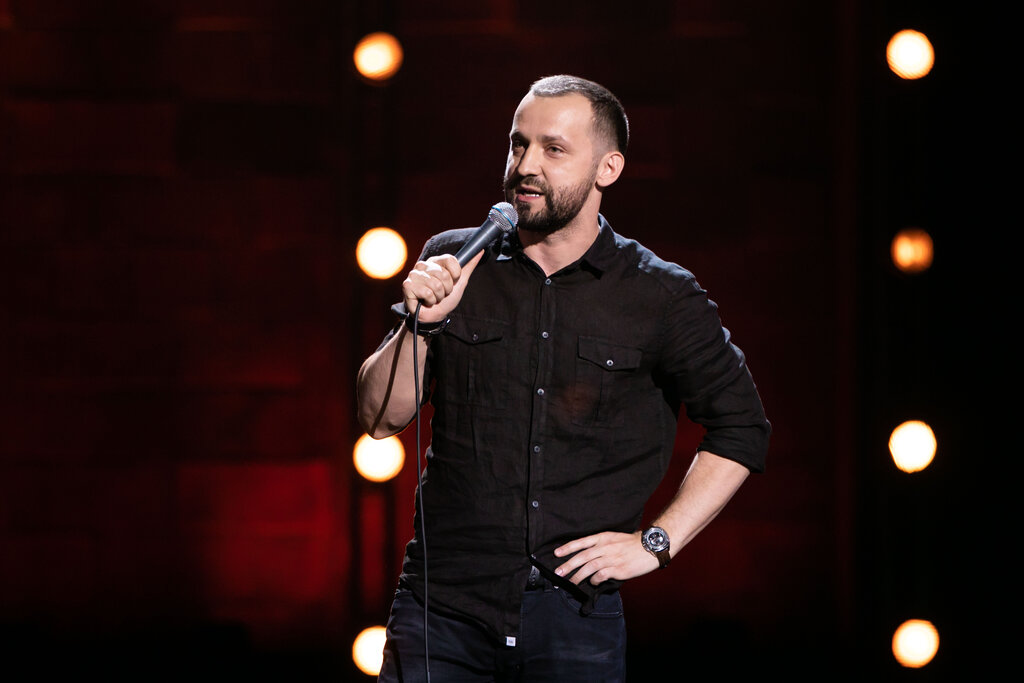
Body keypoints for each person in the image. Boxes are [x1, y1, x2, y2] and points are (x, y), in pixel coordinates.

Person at [357, 74, 770, 682]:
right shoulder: (456, 259)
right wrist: (421, 326)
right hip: (440, 610)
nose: (525, 166)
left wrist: (656, 543)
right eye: (517, 144)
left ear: (608, 168)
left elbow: (742, 428)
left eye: (553, 149)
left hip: (574, 617)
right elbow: (378, 419)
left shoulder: (659, 294)